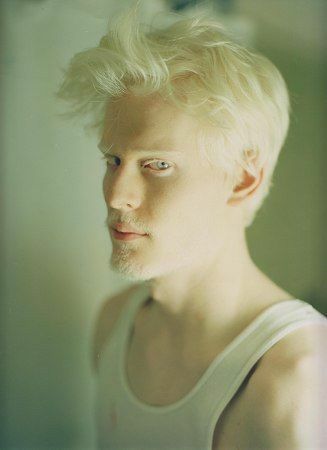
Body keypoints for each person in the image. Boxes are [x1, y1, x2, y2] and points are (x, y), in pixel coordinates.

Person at [56, 4, 327, 449]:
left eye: (157, 164)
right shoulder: (114, 325)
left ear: (242, 179)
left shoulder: (299, 378)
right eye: (114, 160)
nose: (116, 195)